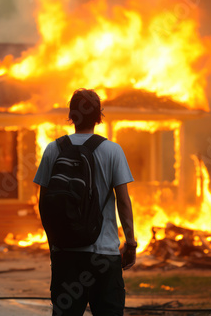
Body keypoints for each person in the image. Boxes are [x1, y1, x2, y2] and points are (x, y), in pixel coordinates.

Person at [33, 88, 137, 316]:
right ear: (99, 117)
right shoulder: (112, 150)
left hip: (66, 255)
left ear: (71, 116)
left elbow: (44, 205)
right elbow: (123, 201)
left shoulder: (53, 150)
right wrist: (130, 243)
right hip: (104, 255)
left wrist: (54, 244)